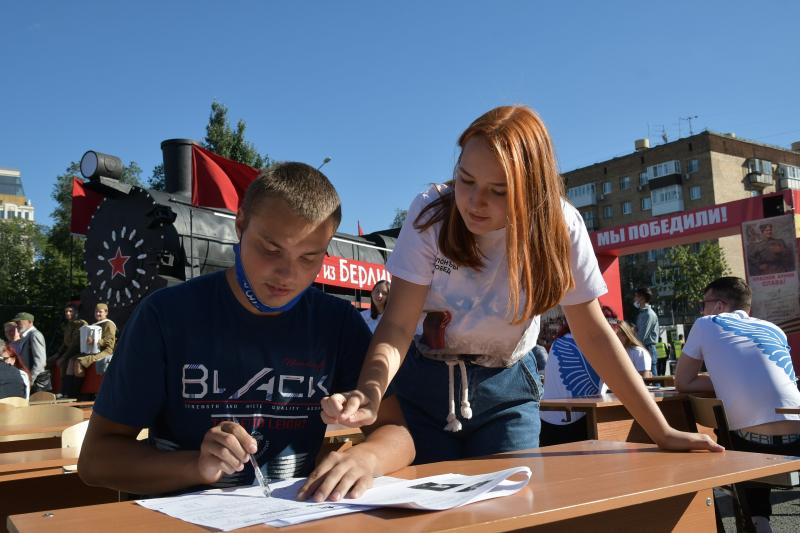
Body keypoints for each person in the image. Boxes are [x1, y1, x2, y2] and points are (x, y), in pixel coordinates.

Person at [321, 105, 721, 463]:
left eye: (499, 191)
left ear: (533, 191)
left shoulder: (559, 228)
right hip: (423, 383)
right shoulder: (431, 213)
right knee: (430, 512)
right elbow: (397, 325)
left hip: (508, 386)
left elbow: (594, 333)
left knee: (509, 505)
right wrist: (370, 392)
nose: (475, 202)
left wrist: (660, 430)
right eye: (465, 180)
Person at [78, 162, 415, 501]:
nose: (287, 274)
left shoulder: (337, 323)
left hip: (291, 518)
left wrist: (365, 458)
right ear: (240, 225)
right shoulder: (165, 315)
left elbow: (398, 436)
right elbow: (96, 461)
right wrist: (196, 465)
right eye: (271, 249)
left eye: (309, 258)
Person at [675, 276, 800, 532]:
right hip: (797, 442)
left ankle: (758, 520)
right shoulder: (773, 328)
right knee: (758, 420)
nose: (702, 310)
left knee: (733, 435)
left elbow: (683, 382)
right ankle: (759, 519)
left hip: (750, 447)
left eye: (704, 303)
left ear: (719, 306)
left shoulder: (706, 323)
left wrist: (723, 381)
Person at [539, 306, 617, 446]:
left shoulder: (558, 342)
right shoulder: (595, 343)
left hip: (546, 421)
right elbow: (617, 382)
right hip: (577, 425)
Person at [62, 303, 117, 398]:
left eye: (100, 312)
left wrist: (95, 341)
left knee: (79, 362)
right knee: (71, 360)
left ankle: (76, 395)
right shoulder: (94, 325)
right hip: (93, 351)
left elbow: (110, 343)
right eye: (96, 312)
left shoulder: (109, 324)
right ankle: (66, 392)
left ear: (106, 312)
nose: (98, 314)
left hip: (105, 351)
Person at [47, 304, 88, 391]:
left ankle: (64, 390)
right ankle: (48, 389)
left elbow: (75, 344)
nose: (68, 313)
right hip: (68, 350)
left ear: (76, 312)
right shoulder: (69, 325)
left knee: (63, 362)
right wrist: (58, 353)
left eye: (70, 311)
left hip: (77, 351)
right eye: (66, 311)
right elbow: (65, 342)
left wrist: (64, 356)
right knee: (48, 362)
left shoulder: (81, 324)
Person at [13, 312, 50, 393]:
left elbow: (40, 362)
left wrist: (30, 380)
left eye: (19, 322)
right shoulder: (26, 336)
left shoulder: (35, 335)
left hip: (37, 382)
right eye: (16, 322)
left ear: (30, 322)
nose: (17, 324)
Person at [634, 287, 659, 376]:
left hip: (648, 348)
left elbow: (642, 335)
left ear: (642, 298)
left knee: (653, 378)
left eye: (636, 296)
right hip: (644, 347)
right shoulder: (641, 313)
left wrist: (632, 343)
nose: (635, 299)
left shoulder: (649, 314)